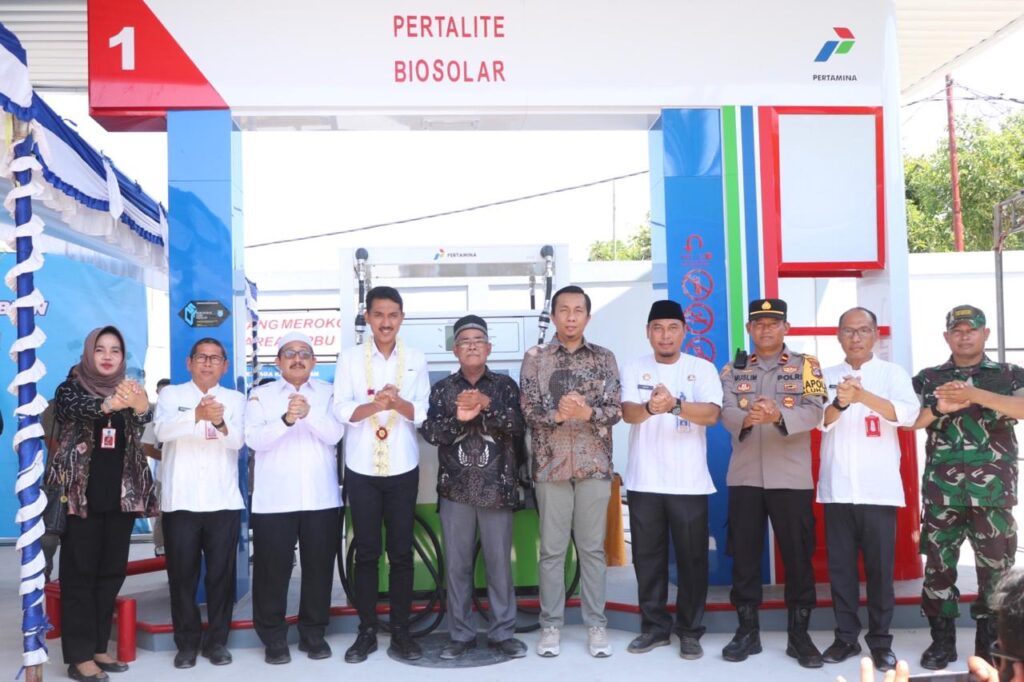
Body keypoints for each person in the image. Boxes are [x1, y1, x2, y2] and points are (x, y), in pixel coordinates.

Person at [911, 305, 1024, 670]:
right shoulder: (929, 378)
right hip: (942, 492)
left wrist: (975, 394)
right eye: (957, 330)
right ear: (947, 337)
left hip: (992, 494)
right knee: (938, 570)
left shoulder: (1009, 374)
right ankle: (941, 643)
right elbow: (913, 420)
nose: (964, 336)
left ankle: (989, 645)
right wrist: (941, 406)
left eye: (971, 330)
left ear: (985, 334)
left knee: (995, 573)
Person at [719, 298, 827, 668]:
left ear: (786, 328)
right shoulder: (733, 369)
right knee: (744, 556)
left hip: (791, 477)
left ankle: (800, 635)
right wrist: (749, 418)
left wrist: (778, 414)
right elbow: (725, 411)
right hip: (745, 475)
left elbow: (815, 411)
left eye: (773, 323)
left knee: (798, 557)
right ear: (749, 329)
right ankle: (747, 632)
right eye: (759, 324)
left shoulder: (808, 365)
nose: (766, 329)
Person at [46, 326, 157, 681]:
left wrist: (141, 407)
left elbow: (145, 423)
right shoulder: (70, 388)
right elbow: (77, 409)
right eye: (101, 349)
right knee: (79, 577)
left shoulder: (129, 388)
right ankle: (78, 656)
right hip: (80, 500)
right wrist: (111, 404)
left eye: (115, 350)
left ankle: (96, 646)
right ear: (89, 353)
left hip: (121, 499)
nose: (108, 356)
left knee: (111, 574)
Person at [519, 284, 622, 658]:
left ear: (588, 317)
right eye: (564, 310)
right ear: (553, 316)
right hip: (551, 465)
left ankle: (596, 625)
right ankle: (551, 626)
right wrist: (558, 416)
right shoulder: (536, 358)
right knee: (552, 550)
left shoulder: (605, 358)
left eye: (578, 310)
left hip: (594, 465)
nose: (571, 317)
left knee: (592, 549)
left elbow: (616, 409)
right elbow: (527, 410)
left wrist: (586, 413)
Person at [419, 315, 528, 660]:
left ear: (489, 348)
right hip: (456, 490)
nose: (471, 346)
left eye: (478, 340)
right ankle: (460, 635)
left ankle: (502, 633)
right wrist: (459, 419)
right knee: (457, 567)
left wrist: (486, 404)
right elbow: (432, 433)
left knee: (499, 566)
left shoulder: (505, 386)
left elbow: (519, 425)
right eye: (464, 341)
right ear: (455, 350)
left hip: (498, 488)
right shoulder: (442, 389)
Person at [619, 300, 723, 660]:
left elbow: (711, 414)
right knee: (648, 559)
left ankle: (690, 630)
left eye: (673, 328)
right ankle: (654, 628)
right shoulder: (634, 366)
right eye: (658, 328)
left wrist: (675, 405)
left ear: (684, 331)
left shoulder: (701, 368)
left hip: (688, 482)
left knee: (693, 560)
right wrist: (652, 407)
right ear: (648, 332)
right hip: (645, 481)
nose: (665, 335)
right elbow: (628, 414)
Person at [818, 307, 920, 672]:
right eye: (848, 331)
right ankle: (846, 638)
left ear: (876, 335)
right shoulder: (824, 375)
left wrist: (863, 397)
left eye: (863, 330)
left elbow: (906, 415)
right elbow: (818, 420)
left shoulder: (892, 374)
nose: (856, 337)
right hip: (837, 491)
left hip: (879, 491)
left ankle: (880, 642)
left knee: (879, 573)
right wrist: (841, 402)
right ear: (838, 335)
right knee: (841, 571)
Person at [332, 286, 430, 663]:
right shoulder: (349, 358)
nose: (385, 322)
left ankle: (402, 631)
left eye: (392, 315)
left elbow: (422, 412)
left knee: (401, 553)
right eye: (378, 314)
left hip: (403, 466)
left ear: (401, 317)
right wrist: (375, 405)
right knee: (367, 553)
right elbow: (341, 409)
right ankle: (367, 631)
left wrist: (397, 403)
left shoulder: (415, 358)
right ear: (367, 317)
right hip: (362, 469)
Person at [245, 332, 344, 664]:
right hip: (275, 500)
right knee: (271, 572)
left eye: (304, 353)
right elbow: (254, 439)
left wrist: (308, 414)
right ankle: (273, 638)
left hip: (321, 498)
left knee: (318, 570)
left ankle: (313, 634)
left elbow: (336, 434)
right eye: (290, 353)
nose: (297, 358)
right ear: (278, 362)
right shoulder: (260, 395)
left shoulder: (329, 393)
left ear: (314, 362)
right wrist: (287, 419)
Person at [154, 338, 246, 669]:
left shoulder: (235, 399)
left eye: (215, 358)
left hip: (222, 501)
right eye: (202, 357)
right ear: (189, 363)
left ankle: (217, 642)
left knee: (221, 577)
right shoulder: (171, 395)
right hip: (181, 501)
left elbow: (237, 441)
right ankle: (187, 644)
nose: (208, 363)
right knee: (182, 578)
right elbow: (161, 433)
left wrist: (219, 422)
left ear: (225, 366)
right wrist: (196, 415)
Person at [141, 378, 171, 557]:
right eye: (162, 392)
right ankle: (160, 546)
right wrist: (168, 458)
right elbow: (146, 447)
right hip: (164, 476)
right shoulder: (155, 414)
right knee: (162, 512)